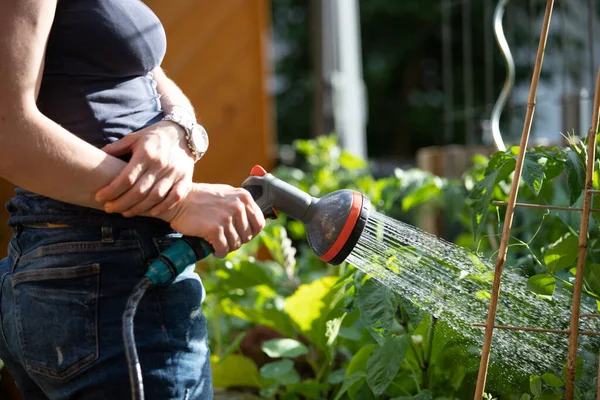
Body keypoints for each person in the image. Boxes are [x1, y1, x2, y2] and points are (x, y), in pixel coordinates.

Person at [0, 0, 266, 399]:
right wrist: (175, 203)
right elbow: (9, 134)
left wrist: (179, 126)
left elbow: (147, 72)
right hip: (104, 268)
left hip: (89, 265)